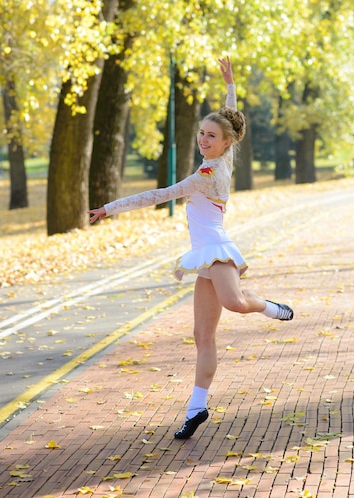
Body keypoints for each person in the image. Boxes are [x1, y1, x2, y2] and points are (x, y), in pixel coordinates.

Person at [88, 56, 294, 439]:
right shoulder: (224, 156)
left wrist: (110, 208)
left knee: (235, 304)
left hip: (217, 248)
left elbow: (159, 195)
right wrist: (230, 83)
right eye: (201, 133)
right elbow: (231, 117)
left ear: (226, 144)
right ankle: (196, 408)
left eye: (211, 136)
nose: (203, 138)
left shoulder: (207, 174)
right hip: (203, 258)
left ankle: (270, 307)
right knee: (203, 337)